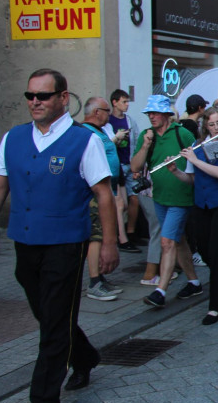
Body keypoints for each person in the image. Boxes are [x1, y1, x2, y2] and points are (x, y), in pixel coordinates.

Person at [0, 68, 117, 403]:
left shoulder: (85, 140)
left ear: (63, 98)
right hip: (26, 242)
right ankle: (84, 355)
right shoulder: (14, 138)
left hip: (66, 243)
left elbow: (104, 195)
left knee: (52, 323)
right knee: (49, 314)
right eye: (30, 96)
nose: (35, 102)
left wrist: (110, 243)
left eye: (43, 96)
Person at [168, 107, 218, 324]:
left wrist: (194, 159)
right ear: (205, 126)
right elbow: (192, 179)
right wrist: (176, 171)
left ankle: (214, 307)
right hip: (202, 204)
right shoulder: (198, 147)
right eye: (211, 125)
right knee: (203, 250)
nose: (216, 128)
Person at [130, 95, 202, 309]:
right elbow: (135, 167)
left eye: (154, 112)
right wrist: (145, 145)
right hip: (159, 198)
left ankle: (160, 290)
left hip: (181, 198)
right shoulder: (147, 135)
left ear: (166, 114)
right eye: (149, 113)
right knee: (178, 240)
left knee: (167, 241)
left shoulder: (183, 133)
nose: (151, 116)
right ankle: (194, 281)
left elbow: (198, 158)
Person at [81, 97, 126, 301]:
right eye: (107, 110)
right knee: (96, 235)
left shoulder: (100, 131)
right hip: (94, 192)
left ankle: (100, 277)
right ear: (96, 111)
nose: (109, 114)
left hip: (108, 187)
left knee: (100, 233)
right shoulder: (86, 133)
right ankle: (94, 281)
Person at [107, 89, 143, 249]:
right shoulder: (108, 122)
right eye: (124, 101)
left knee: (134, 198)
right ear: (114, 102)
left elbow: (137, 141)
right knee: (119, 203)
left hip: (129, 163)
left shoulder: (130, 121)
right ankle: (117, 235)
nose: (127, 105)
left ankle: (131, 232)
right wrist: (116, 138)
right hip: (116, 166)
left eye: (128, 101)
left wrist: (136, 164)